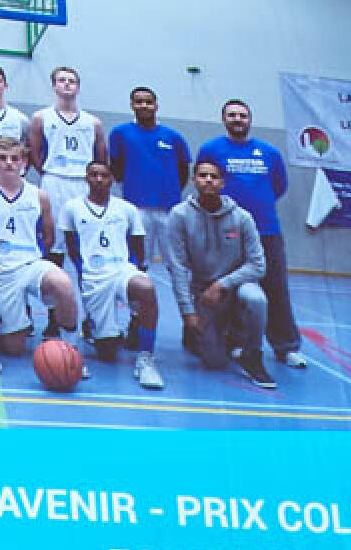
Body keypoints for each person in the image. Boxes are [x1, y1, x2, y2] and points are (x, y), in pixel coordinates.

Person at [197, 100, 307, 371]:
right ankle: (234, 342)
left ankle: (286, 347)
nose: (237, 119)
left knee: (276, 289)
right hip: (226, 232)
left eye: (242, 115)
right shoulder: (211, 149)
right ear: (224, 119)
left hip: (267, 231)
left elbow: (279, 186)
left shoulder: (269, 152)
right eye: (232, 115)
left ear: (249, 120)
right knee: (230, 289)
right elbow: (205, 183)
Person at [0, 135, 82, 366]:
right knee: (13, 348)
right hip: (0, 270)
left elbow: (49, 236)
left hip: (31, 264)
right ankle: (5, 320)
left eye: (15, 158)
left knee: (63, 285)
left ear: (23, 161)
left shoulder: (39, 195)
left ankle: (71, 350)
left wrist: (35, 257)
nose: (9, 163)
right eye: (3, 158)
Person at [166, 159, 274, 389]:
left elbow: (258, 265)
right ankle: (216, 336)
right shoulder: (179, 215)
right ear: (193, 180)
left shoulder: (242, 218)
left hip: (238, 286)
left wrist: (222, 284)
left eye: (214, 177)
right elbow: (177, 267)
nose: (208, 180)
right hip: (203, 293)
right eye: (202, 175)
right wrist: (188, 312)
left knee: (256, 299)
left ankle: (252, 355)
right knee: (214, 362)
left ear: (222, 183)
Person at [60, 159, 165, 389]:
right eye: (94, 174)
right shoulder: (71, 208)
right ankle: (96, 328)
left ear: (112, 179)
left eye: (104, 175)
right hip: (94, 277)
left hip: (121, 270)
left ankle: (146, 359)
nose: (99, 179)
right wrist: (84, 274)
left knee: (146, 288)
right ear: (86, 178)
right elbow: (73, 248)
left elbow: (138, 246)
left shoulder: (127, 209)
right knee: (107, 351)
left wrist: (136, 272)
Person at [29, 67, 105, 339]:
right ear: (54, 86)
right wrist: (49, 173)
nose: (67, 84)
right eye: (62, 80)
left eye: (72, 80)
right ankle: (54, 318)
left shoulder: (93, 122)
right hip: (54, 181)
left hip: (82, 184)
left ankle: (93, 318)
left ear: (78, 86)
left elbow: (100, 158)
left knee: (88, 253)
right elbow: (34, 153)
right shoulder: (41, 118)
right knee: (54, 253)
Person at [108, 87, 190, 279]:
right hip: (136, 208)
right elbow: (116, 167)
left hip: (169, 209)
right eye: (139, 101)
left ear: (156, 106)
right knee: (138, 263)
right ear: (131, 105)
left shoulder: (173, 136)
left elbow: (183, 170)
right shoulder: (120, 133)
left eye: (148, 102)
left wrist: (170, 192)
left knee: (176, 264)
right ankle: (138, 299)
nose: (144, 105)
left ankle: (184, 299)